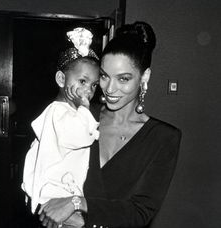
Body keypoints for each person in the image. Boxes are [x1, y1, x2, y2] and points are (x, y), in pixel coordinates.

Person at [38, 21, 182, 228]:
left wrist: (78, 206)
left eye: (123, 79)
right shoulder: (81, 116)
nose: (110, 89)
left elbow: (140, 212)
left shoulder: (164, 137)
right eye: (104, 76)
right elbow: (44, 168)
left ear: (145, 77)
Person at [21, 27, 100, 222]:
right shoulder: (58, 111)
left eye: (93, 85)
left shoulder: (68, 112)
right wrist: (84, 109)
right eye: (82, 81)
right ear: (61, 79)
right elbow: (81, 135)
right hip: (55, 194)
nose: (88, 90)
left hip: (64, 191)